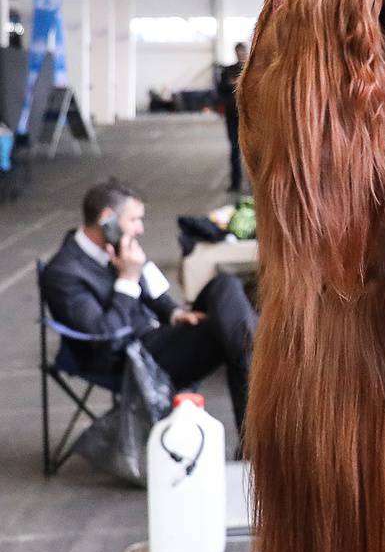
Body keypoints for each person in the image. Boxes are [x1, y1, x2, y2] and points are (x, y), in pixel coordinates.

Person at [41, 178, 257, 437]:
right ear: (107, 218)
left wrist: (175, 314)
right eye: (134, 220)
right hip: (130, 356)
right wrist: (128, 279)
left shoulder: (117, 245)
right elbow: (105, 337)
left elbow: (153, 291)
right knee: (223, 334)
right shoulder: (63, 273)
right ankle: (255, 428)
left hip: (159, 334)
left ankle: (252, 354)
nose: (140, 229)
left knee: (226, 284)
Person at [217, 42, 248, 193]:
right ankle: (235, 184)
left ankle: (253, 186)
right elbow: (220, 91)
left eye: (243, 52)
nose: (240, 54)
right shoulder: (227, 71)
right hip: (232, 116)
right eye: (238, 52)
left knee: (252, 152)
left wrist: (236, 83)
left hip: (249, 118)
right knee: (234, 150)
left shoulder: (253, 70)